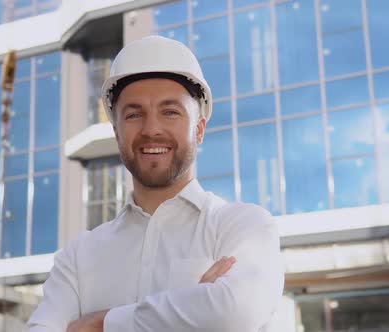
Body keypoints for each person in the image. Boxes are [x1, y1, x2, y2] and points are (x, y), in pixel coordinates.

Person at [26, 35, 284, 332]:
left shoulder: (243, 227)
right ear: (117, 132)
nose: (152, 129)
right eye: (134, 114)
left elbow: (236, 312)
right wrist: (195, 309)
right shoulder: (78, 256)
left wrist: (101, 323)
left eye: (170, 112)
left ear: (199, 129)